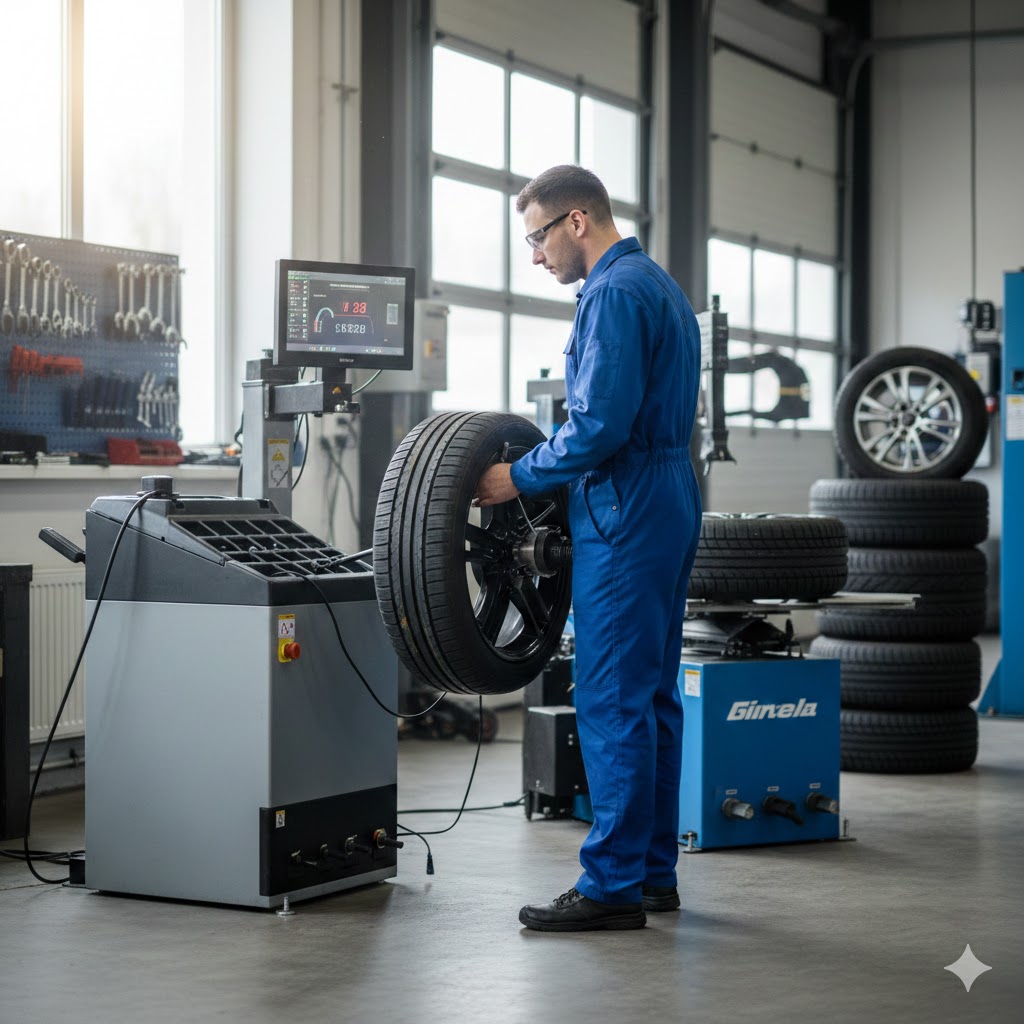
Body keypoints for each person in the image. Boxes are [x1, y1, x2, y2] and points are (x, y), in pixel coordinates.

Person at [475, 165, 703, 932]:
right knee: (655, 697)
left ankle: (610, 886)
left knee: (609, 699)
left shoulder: (611, 293)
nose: (534, 255)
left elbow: (600, 425)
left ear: (578, 220)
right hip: (669, 497)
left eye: (537, 236)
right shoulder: (659, 285)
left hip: (625, 504)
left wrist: (518, 477)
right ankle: (652, 875)